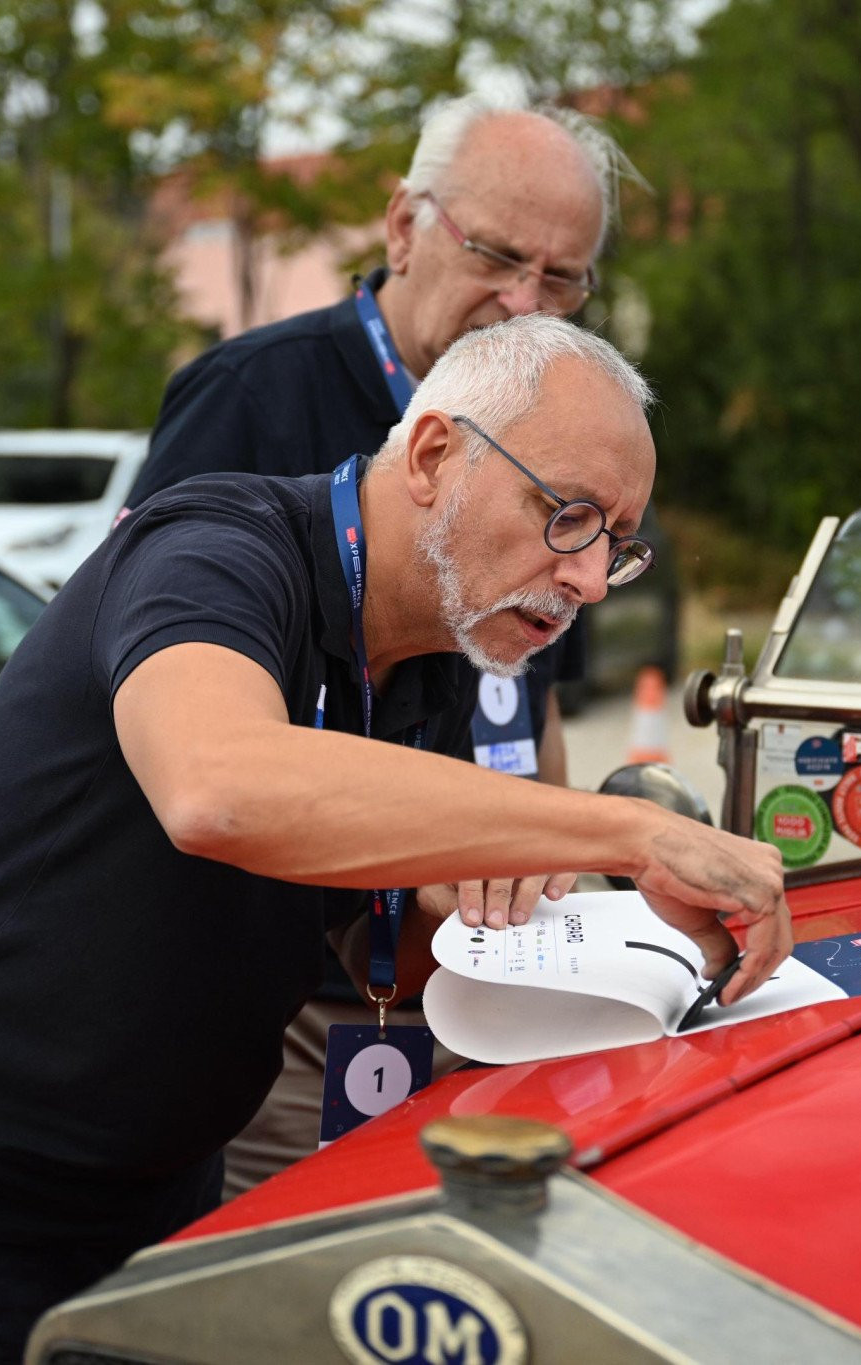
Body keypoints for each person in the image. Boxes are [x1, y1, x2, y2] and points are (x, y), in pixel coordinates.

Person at [0, 316, 790, 1365]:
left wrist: (591, 938)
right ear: (436, 454)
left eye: (615, 545)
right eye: (568, 517)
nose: (587, 581)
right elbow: (216, 787)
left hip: (161, 1183)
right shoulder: (215, 545)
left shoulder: (436, 663)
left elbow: (373, 956)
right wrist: (623, 829)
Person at [127, 95, 637, 1194]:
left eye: (562, 279)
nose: (521, 301)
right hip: (298, 1001)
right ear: (401, 227)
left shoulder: (563, 421)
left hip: (485, 968)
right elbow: (182, 733)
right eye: (497, 255)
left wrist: (544, 852)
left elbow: (527, 695)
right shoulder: (249, 401)